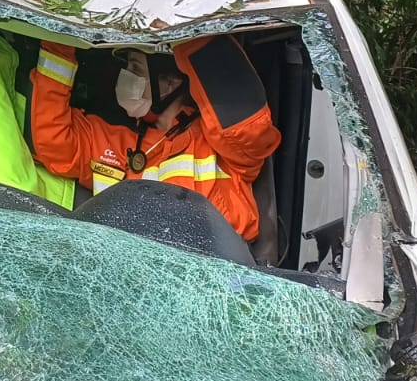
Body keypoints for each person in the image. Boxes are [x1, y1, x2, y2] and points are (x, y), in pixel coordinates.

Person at [29, 36, 280, 240]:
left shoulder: (221, 145)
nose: (125, 76)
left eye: (136, 68)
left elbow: (248, 130)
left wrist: (188, 34)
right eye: (126, 67)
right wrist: (59, 43)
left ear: (171, 82)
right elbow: (54, 143)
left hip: (212, 281)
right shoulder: (111, 140)